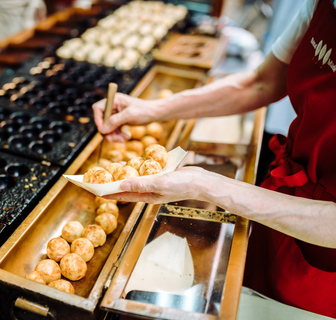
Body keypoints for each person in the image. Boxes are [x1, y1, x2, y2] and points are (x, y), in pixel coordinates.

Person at [92, 0, 336, 317]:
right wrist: (149, 110)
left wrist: (203, 184)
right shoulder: (322, 6)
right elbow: (260, 82)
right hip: (286, 194)